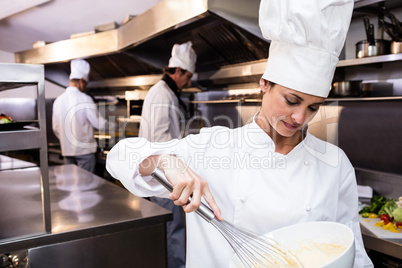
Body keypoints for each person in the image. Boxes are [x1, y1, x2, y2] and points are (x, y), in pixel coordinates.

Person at [106, 0, 374, 267]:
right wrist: (164, 160)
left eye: (313, 107)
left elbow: (354, 251)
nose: (300, 118)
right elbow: (120, 156)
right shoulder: (216, 147)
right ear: (264, 84)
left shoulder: (334, 163)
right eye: (292, 101)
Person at [137, 41, 197, 268]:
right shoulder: (162, 94)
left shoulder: (165, 93)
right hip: (163, 174)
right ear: (178, 71)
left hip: (162, 171)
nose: (189, 82)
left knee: (171, 228)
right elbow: (161, 138)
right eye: (188, 76)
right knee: (174, 229)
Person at [52, 59, 115, 173]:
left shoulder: (58, 100)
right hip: (85, 152)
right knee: (85, 184)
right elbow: (98, 123)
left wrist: (66, 141)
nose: (85, 86)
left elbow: (56, 127)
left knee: (71, 184)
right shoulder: (85, 99)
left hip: (67, 151)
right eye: (85, 83)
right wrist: (115, 126)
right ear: (81, 81)